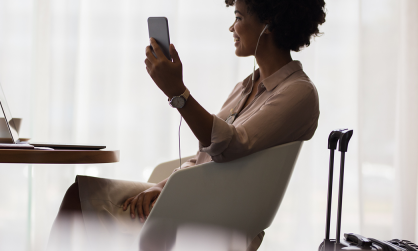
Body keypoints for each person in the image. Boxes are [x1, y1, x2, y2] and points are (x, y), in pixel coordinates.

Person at [49, 0, 326, 250]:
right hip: (191, 197)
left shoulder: (298, 92)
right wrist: (162, 185)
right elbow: (205, 157)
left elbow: (231, 147)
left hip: (213, 214)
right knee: (80, 194)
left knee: (80, 202)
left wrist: (178, 94)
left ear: (268, 25)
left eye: (239, 17)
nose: (232, 27)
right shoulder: (245, 87)